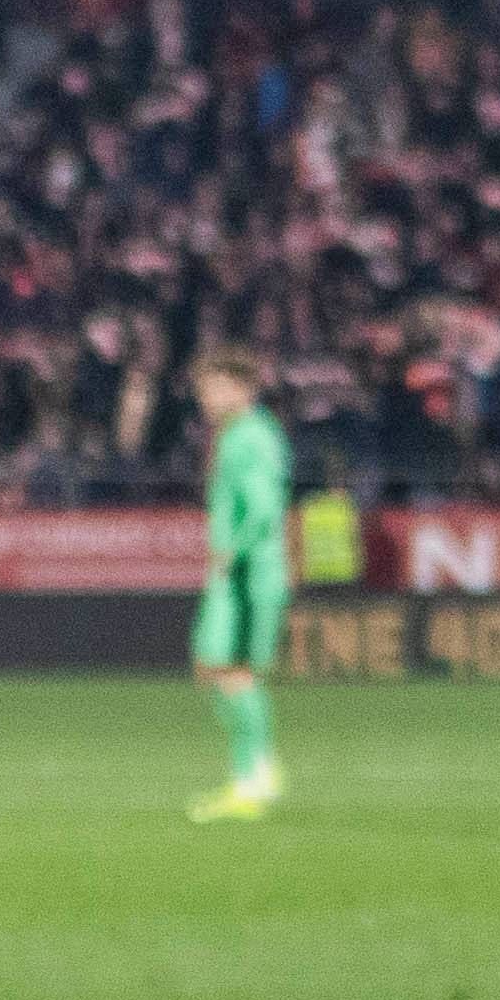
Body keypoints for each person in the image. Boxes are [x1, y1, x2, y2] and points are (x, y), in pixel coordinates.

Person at [189, 348, 292, 822]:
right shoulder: (245, 433)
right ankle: (262, 767)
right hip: (237, 573)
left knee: (234, 672)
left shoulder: (250, 436)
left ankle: (248, 783)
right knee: (214, 667)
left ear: (241, 388)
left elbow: (265, 506)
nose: (205, 399)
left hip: (247, 571)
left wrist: (234, 549)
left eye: (213, 388)